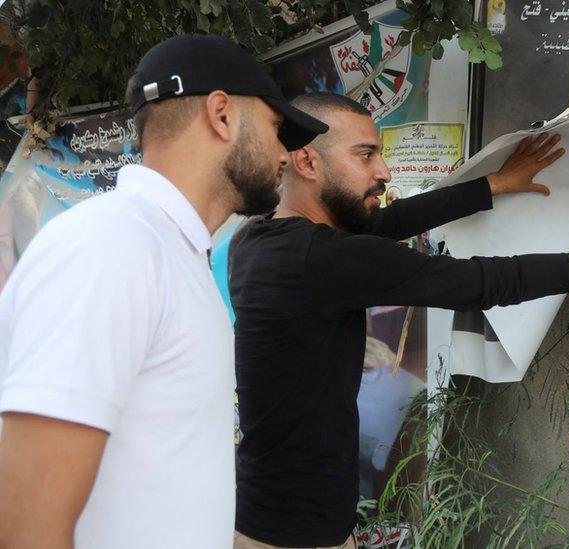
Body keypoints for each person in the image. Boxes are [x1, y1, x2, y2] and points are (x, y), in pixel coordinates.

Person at [230, 92, 569, 549]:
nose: (384, 172)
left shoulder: (258, 240)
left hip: (271, 513)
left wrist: (496, 183)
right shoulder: (324, 259)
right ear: (307, 162)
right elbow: (486, 282)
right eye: (366, 155)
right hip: (294, 536)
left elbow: (392, 220)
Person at [0, 35, 327, 549]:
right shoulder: (114, 245)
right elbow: (26, 527)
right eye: (277, 128)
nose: (288, 152)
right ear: (222, 115)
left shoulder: (170, 251)